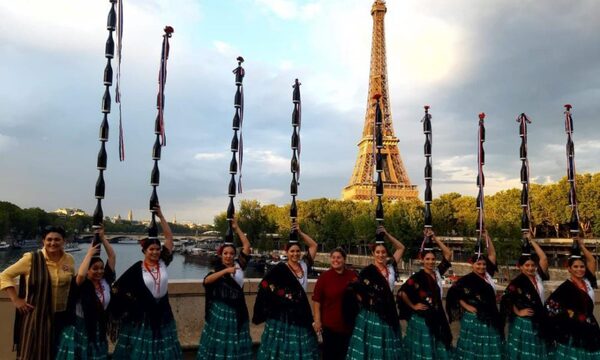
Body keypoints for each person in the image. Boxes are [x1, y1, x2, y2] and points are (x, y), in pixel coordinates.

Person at [110, 206, 182, 359]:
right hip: (142, 315)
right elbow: (118, 288)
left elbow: (169, 238)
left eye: (157, 249)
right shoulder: (137, 268)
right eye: (152, 250)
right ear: (144, 251)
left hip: (163, 313)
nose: (155, 252)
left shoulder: (162, 263)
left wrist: (161, 216)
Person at [0, 225, 75, 359]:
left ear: (64, 241)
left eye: (57, 240)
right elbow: (4, 276)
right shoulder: (31, 259)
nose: (53, 243)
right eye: (49, 239)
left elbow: (73, 282)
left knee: (57, 353)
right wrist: (16, 300)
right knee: (34, 353)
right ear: (43, 241)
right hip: (37, 316)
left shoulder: (69, 259)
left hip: (62, 317)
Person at [253, 224, 319, 360]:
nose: (295, 254)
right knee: (281, 347)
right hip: (282, 314)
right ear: (286, 253)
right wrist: (283, 296)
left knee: (301, 346)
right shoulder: (280, 268)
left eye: (297, 251)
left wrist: (300, 232)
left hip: (300, 312)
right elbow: (265, 285)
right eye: (292, 251)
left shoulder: (304, 266)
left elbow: (313, 246)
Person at [56, 227, 116, 359]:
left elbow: (112, 256)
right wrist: (89, 254)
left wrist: (103, 238)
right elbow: (81, 274)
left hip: (99, 326)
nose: (100, 271)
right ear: (88, 270)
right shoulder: (81, 284)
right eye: (95, 269)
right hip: (80, 327)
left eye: (101, 268)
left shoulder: (105, 281)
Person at [345, 226, 405, 360]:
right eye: (377, 252)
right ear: (373, 253)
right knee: (370, 348)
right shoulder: (367, 271)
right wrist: (367, 300)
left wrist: (387, 234)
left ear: (387, 254)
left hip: (388, 313)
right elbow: (354, 290)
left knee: (386, 348)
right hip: (370, 315)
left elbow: (401, 248)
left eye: (383, 252)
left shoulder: (391, 267)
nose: (380, 255)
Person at [196, 218, 252, 359]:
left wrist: (236, 227)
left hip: (238, 310)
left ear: (234, 255)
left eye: (231, 254)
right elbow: (207, 281)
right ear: (221, 255)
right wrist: (225, 272)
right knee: (221, 342)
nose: (228, 256)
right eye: (225, 254)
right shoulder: (218, 269)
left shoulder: (239, 265)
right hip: (221, 311)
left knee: (235, 341)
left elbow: (246, 245)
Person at [446, 231, 504, 360]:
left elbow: (492, 254)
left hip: (491, 316)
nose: (482, 266)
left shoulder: (488, 275)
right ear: (472, 264)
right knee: (473, 348)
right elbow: (453, 294)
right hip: (474, 318)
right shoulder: (465, 280)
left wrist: (487, 237)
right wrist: (466, 305)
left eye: (484, 264)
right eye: (478, 264)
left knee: (489, 346)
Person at [397, 228, 453, 359]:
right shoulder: (417, 277)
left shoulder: (437, 273)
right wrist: (413, 306)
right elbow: (402, 293)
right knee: (423, 351)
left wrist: (435, 238)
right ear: (423, 260)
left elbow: (448, 253)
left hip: (437, 316)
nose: (431, 262)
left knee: (438, 346)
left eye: (433, 259)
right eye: (427, 259)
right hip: (422, 320)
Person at [545, 237, 600, 358]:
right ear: (569, 268)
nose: (579, 269)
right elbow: (549, 306)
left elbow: (591, 261)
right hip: (573, 330)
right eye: (575, 267)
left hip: (590, 326)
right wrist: (569, 315)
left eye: (582, 267)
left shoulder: (588, 282)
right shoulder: (565, 288)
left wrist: (581, 245)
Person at [500, 233, 550, 360]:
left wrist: (531, 240)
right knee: (523, 352)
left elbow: (543, 258)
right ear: (520, 267)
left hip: (539, 319)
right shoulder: (517, 282)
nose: (530, 268)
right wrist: (518, 311)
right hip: (524, 323)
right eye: (527, 266)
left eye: (533, 265)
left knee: (537, 350)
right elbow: (506, 298)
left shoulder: (538, 277)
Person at [312, 247, 358, 360]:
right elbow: (316, 300)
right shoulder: (324, 277)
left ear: (344, 259)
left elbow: (360, 297)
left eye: (339, 257)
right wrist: (317, 320)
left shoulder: (352, 276)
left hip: (348, 325)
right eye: (333, 257)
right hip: (330, 326)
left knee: (345, 355)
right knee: (330, 355)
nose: (335, 260)